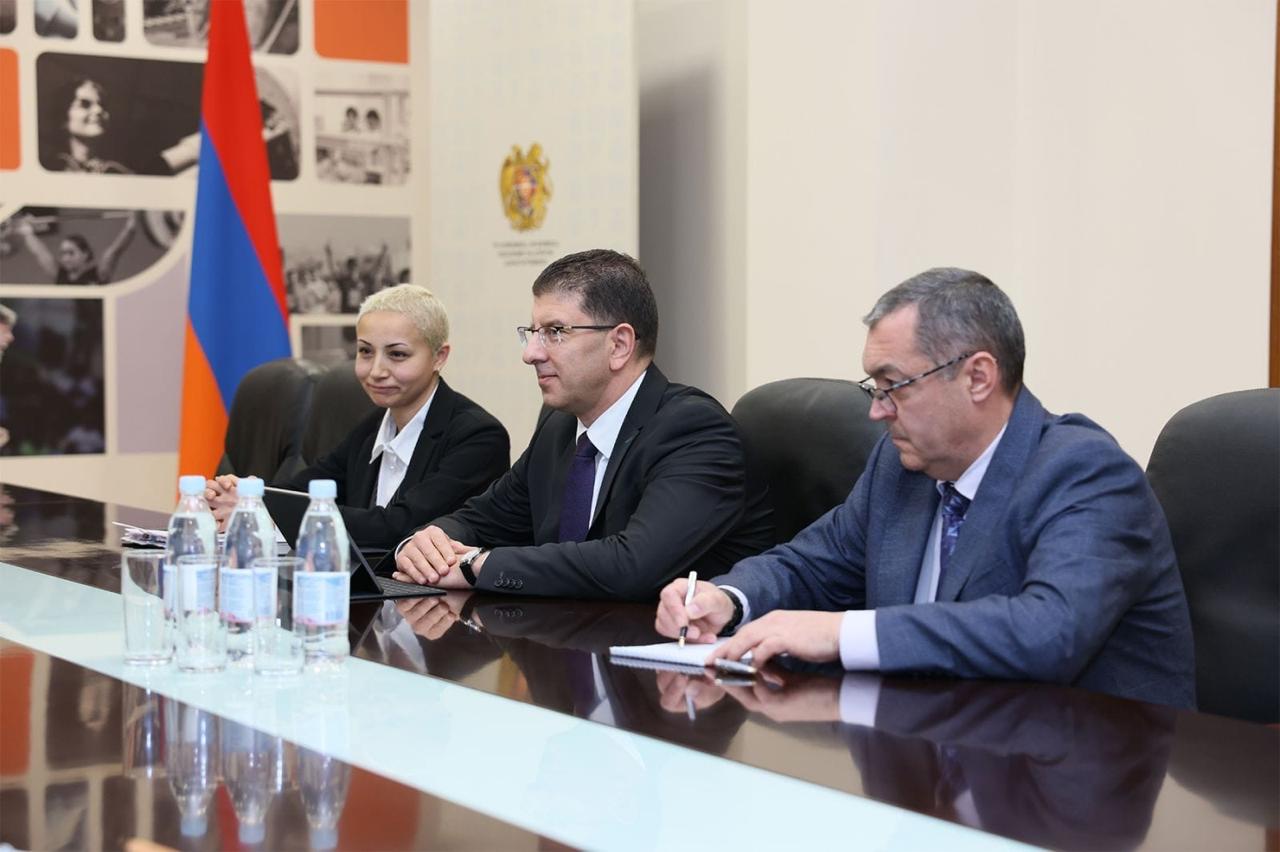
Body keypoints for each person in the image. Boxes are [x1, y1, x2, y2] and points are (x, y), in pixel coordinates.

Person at [656, 267, 1195, 709]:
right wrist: (727, 600)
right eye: (874, 388)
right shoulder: (902, 466)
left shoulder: (1084, 472)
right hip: (932, 752)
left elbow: (1047, 632)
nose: (876, 411)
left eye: (894, 386)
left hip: (1077, 778)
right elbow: (814, 564)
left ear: (978, 377)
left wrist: (842, 634)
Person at [393, 249, 774, 599]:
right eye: (532, 333)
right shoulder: (559, 428)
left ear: (619, 345)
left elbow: (632, 565)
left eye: (555, 332)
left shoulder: (694, 431)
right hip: (571, 637)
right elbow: (482, 520)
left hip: (677, 646)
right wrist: (427, 544)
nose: (531, 354)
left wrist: (475, 565)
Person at [206, 284, 510, 551]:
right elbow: (302, 489)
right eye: (365, 352)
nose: (376, 371)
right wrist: (249, 496)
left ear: (439, 357)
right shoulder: (371, 425)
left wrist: (267, 512)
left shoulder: (479, 437)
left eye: (397, 354)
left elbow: (401, 527)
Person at [13, 212, 139, 285]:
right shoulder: (59, 275)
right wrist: (27, 232)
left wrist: (130, 228)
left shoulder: (98, 275)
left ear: (85, 254)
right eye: (63, 254)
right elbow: (40, 253)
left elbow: (114, 253)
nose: (65, 258)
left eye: (71, 253)